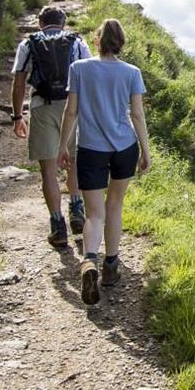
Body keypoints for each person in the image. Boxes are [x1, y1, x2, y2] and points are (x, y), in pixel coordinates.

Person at [57, 19, 151, 305]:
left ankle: (88, 262)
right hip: (124, 146)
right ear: (121, 43)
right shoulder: (132, 73)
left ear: (97, 41)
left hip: (90, 148)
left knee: (94, 213)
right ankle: (111, 266)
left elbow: (71, 111)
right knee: (115, 205)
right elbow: (136, 115)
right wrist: (146, 150)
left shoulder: (79, 69)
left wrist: (62, 145)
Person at [11, 6, 92, 248]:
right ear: (63, 23)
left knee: (48, 170)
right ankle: (77, 209)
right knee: (74, 163)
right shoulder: (77, 42)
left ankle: (58, 227)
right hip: (73, 107)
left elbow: (18, 82)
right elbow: (89, 75)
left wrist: (17, 116)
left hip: (42, 106)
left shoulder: (28, 44)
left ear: (40, 23)